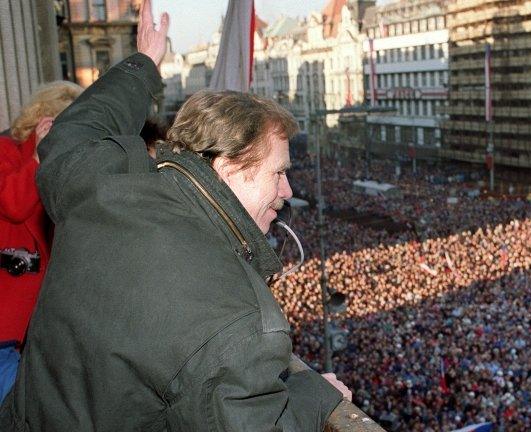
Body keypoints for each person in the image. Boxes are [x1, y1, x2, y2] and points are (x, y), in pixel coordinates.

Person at [0, 1, 348, 430]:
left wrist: (144, 63)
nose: (288, 190)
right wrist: (316, 393)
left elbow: (73, 132)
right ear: (228, 167)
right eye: (278, 173)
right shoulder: (238, 318)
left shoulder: (103, 189)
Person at [0, 80, 83, 401]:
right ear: (45, 123)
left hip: (31, 334)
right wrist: (37, 157)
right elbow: (14, 205)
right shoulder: (7, 153)